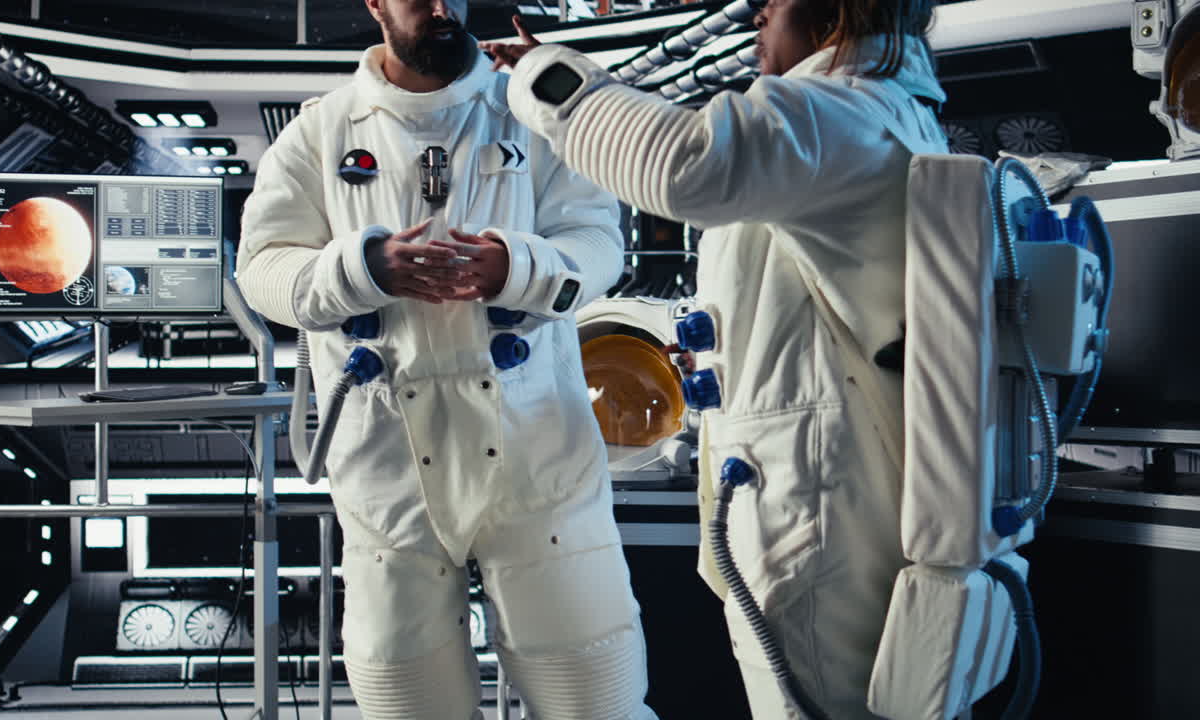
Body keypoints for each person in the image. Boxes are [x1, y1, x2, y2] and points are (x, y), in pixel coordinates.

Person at [484, 1, 948, 717]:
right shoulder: (881, 112)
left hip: (820, 511)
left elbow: (684, 165)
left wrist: (546, 78)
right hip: (831, 492)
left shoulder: (837, 111)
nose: (761, 11)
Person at [235, 0, 659, 717]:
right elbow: (263, 270)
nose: (440, 9)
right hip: (388, 474)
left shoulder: (529, 113)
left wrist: (517, 267)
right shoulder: (320, 133)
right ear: (374, 5)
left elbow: (599, 242)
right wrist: (364, 269)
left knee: (600, 706)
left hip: (538, 463)